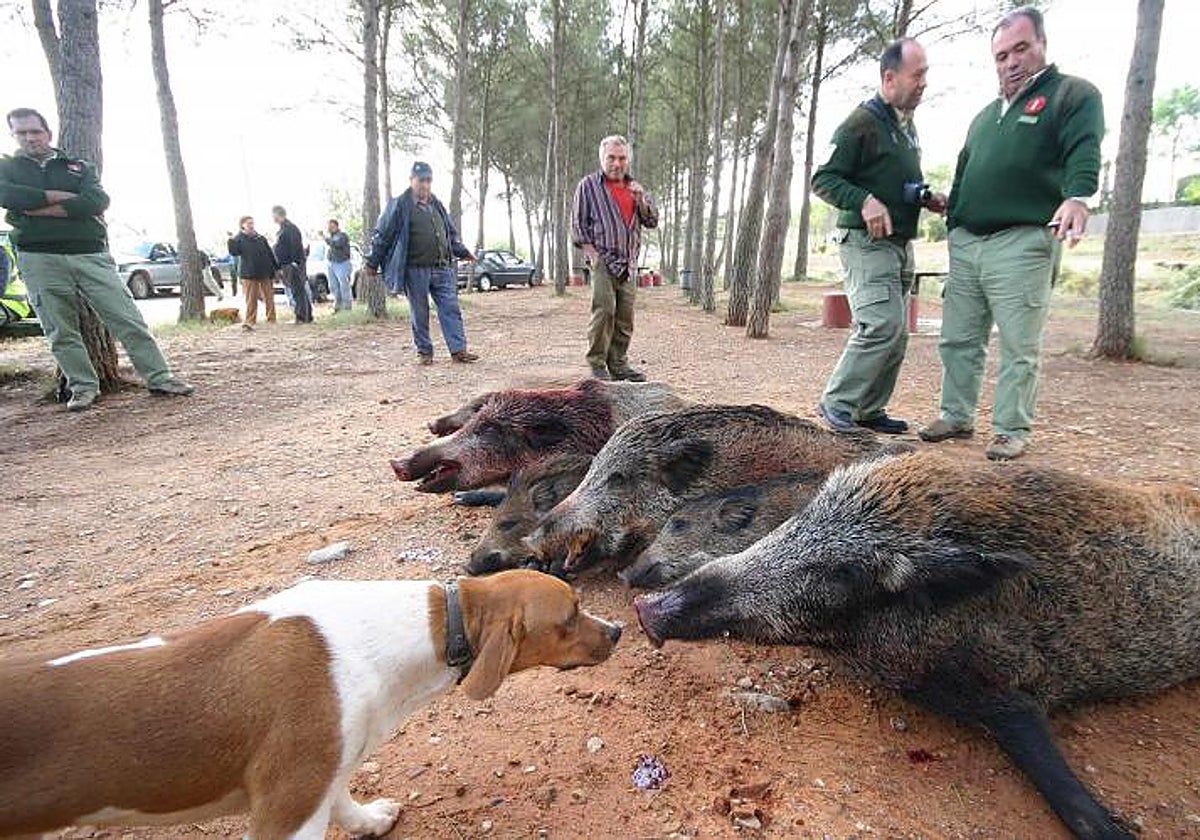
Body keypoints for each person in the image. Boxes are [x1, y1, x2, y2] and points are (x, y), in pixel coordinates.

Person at [919, 7, 1103, 461]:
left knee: (1020, 343)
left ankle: (1010, 429)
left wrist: (1078, 197)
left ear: (1042, 44)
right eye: (1001, 56)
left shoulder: (1071, 94)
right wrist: (953, 217)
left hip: (1022, 240)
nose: (1011, 62)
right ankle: (956, 415)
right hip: (968, 242)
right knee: (958, 339)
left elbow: (1084, 149)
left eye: (1021, 49)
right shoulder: (985, 116)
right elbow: (964, 172)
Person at [0, 107, 193, 411]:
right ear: (13, 135)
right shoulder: (6, 168)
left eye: (35, 131)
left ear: (48, 133)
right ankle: (83, 388)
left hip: (89, 253)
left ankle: (160, 377)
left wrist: (34, 206)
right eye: (21, 132)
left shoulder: (78, 167)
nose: (29, 138)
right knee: (60, 329)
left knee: (127, 319)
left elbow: (96, 201)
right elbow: (8, 197)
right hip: (38, 257)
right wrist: (64, 198)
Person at [812, 38, 944, 435]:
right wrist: (864, 201)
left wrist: (926, 197)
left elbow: (895, 179)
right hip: (866, 244)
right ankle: (837, 403)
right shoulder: (861, 123)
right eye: (917, 75)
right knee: (880, 324)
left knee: (897, 334)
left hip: (899, 243)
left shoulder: (906, 126)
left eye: (925, 74)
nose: (924, 83)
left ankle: (868, 409)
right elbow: (824, 179)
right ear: (889, 78)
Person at [363, 161, 479, 365]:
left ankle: (458, 350)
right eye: (421, 180)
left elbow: (449, 233)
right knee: (420, 311)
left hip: (442, 267)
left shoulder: (436, 204)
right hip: (415, 269)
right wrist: (373, 262)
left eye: (428, 180)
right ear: (411, 180)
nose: (425, 185)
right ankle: (425, 352)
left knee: (451, 307)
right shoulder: (399, 205)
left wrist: (462, 251)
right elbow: (382, 236)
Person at [571, 135, 658, 381]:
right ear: (602, 158)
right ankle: (597, 364)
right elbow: (578, 225)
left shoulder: (636, 188)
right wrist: (593, 255)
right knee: (605, 311)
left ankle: (618, 364)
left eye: (622, 158)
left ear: (628, 160)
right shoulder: (588, 186)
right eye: (611, 158)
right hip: (603, 260)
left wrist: (641, 201)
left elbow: (652, 221)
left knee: (625, 317)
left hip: (629, 263)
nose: (617, 164)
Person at [227, 215, 278, 327]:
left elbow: (269, 253)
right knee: (251, 298)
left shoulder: (261, 238)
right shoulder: (238, 239)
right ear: (242, 225)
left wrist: (276, 268)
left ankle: (271, 318)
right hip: (249, 273)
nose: (251, 225)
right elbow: (234, 252)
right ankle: (250, 320)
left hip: (265, 271)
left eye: (252, 223)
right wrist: (230, 240)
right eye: (248, 223)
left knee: (269, 297)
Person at [272, 204, 312, 323]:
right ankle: (305, 316)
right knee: (297, 290)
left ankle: (302, 317)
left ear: (278, 215)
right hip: (287, 264)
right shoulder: (283, 229)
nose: (272, 218)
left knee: (298, 290)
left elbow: (295, 246)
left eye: (273, 215)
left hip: (292, 264)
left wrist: (295, 262)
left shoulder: (290, 228)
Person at [323, 218, 353, 311]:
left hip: (342, 263)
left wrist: (325, 238)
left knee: (344, 285)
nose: (330, 228)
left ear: (336, 226)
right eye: (329, 227)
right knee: (333, 285)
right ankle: (337, 305)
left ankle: (347, 306)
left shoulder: (342, 235)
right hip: (331, 263)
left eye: (332, 226)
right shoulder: (331, 236)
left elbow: (337, 244)